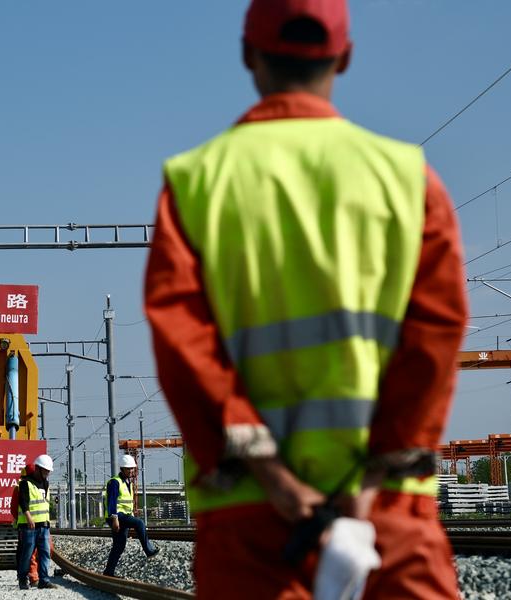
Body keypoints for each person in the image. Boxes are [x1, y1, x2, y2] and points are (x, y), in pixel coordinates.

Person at [144, 0, 467, 597]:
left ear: (247, 54)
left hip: (250, 510)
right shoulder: (406, 178)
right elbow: (435, 339)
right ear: (345, 57)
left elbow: (183, 345)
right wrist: (368, 481)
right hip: (383, 512)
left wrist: (274, 477)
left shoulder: (197, 182)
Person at [102, 455, 159, 577]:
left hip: (124, 515)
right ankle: (149, 551)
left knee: (119, 545)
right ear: (122, 468)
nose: (131, 471)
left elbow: (128, 503)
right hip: (116, 516)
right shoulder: (114, 482)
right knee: (139, 523)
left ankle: (108, 572)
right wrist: (115, 519)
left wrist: (132, 515)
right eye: (129, 469)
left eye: (132, 468)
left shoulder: (129, 483)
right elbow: (112, 501)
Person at [16, 454, 57, 590]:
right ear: (38, 469)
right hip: (29, 526)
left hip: (43, 526)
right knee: (27, 554)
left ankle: (44, 580)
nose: (47, 473)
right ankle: (23, 580)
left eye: (48, 471)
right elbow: (23, 502)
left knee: (45, 553)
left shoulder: (45, 484)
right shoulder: (25, 483)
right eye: (45, 470)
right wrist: (28, 518)